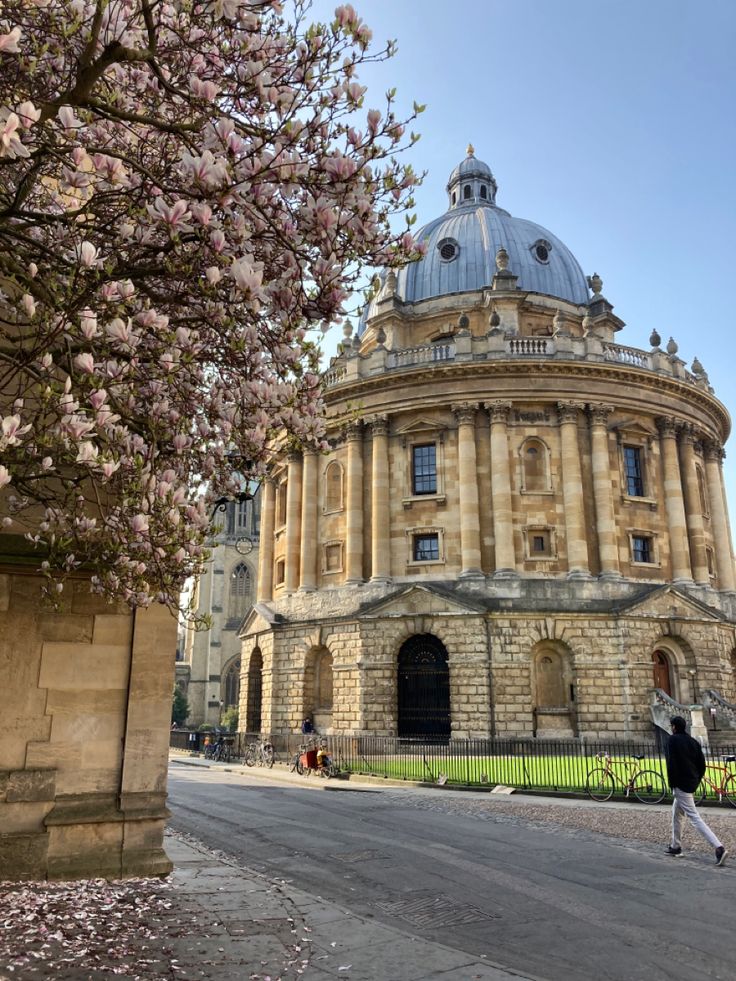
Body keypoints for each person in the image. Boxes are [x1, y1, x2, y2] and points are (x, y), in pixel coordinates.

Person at [665, 716, 727, 866]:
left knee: (694, 817)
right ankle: (675, 846)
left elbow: (671, 763)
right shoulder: (693, 741)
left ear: (674, 727)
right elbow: (702, 764)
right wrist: (696, 780)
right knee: (677, 813)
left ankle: (718, 847)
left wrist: (673, 783)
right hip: (691, 782)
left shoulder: (672, 741)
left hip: (680, 784)